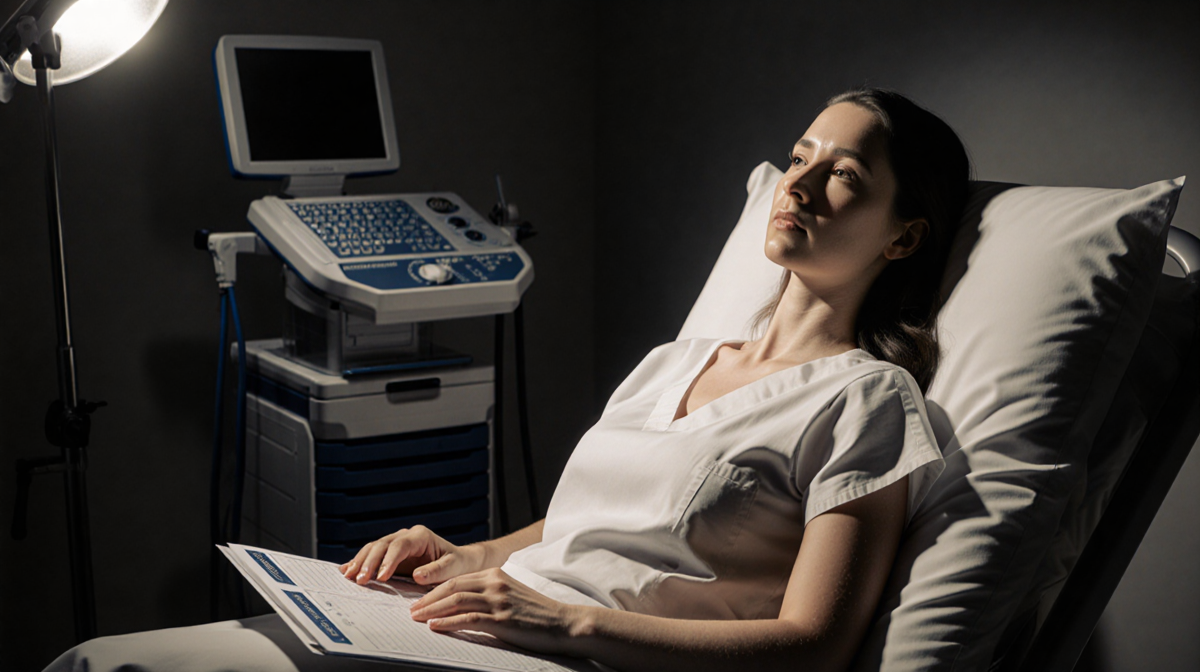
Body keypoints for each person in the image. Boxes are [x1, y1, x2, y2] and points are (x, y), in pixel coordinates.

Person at [45, 88, 971, 672]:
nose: (800, 185)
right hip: (495, 622)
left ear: (902, 236)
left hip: (582, 656)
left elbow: (816, 646)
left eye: (843, 174)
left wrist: (564, 627)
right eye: (800, 157)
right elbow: (577, 531)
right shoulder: (680, 361)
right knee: (102, 659)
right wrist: (469, 558)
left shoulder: (866, 400)